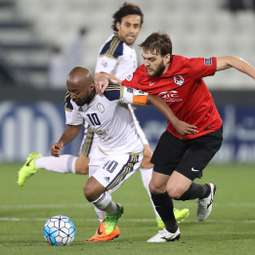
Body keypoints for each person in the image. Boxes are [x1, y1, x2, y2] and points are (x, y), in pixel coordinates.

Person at [17, 2, 189, 241]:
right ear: (117, 25)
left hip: (120, 124)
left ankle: (151, 217)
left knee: (117, 171)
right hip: (101, 126)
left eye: (137, 26)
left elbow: (139, 94)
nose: (132, 30)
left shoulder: (121, 68)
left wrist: (172, 114)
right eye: (128, 24)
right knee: (87, 172)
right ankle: (116, 218)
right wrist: (61, 141)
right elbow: (96, 83)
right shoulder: (111, 51)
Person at [97, 32, 255, 242]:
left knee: (174, 190)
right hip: (176, 132)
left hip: (206, 134)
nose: (146, 63)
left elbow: (230, 60)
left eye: (152, 59)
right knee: (156, 186)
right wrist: (102, 77)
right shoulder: (142, 75)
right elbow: (120, 84)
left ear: (167, 57)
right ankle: (171, 231)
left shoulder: (187, 67)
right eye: (144, 58)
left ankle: (204, 192)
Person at [48, 66, 195, 243]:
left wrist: (175, 120)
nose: (73, 95)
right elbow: (73, 126)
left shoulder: (111, 92)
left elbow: (150, 98)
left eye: (76, 92)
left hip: (127, 152)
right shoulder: (71, 100)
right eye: (70, 91)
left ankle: (114, 213)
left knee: (91, 190)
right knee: (94, 195)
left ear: (91, 87)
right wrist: (61, 142)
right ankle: (108, 226)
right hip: (101, 149)